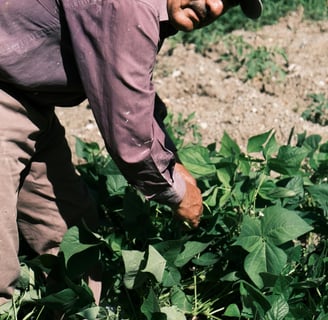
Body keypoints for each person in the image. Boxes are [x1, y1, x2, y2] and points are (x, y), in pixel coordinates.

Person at [0, 0, 262, 307]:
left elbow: (131, 86)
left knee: (72, 234)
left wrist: (172, 161)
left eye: (231, 1)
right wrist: (176, 192)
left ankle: (74, 313)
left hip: (26, 97)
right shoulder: (129, 5)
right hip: (8, 91)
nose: (215, 6)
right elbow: (128, 131)